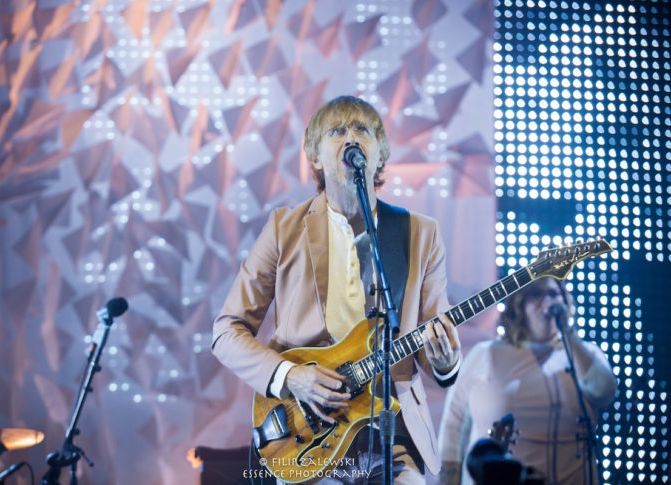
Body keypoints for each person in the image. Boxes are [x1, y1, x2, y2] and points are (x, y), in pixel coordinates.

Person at [211, 95, 462, 484]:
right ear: (315, 157)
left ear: (379, 155)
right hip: (309, 434)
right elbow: (226, 330)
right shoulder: (284, 228)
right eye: (336, 131)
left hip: (392, 433)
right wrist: (290, 376)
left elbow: (428, 346)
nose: (351, 138)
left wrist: (445, 361)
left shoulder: (419, 233)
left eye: (362, 129)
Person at [438, 277, 618, 485]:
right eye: (537, 294)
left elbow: (604, 391)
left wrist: (567, 334)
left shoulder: (583, 354)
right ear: (519, 305)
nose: (547, 301)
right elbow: (453, 424)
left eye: (553, 294)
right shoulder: (486, 354)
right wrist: (448, 480)